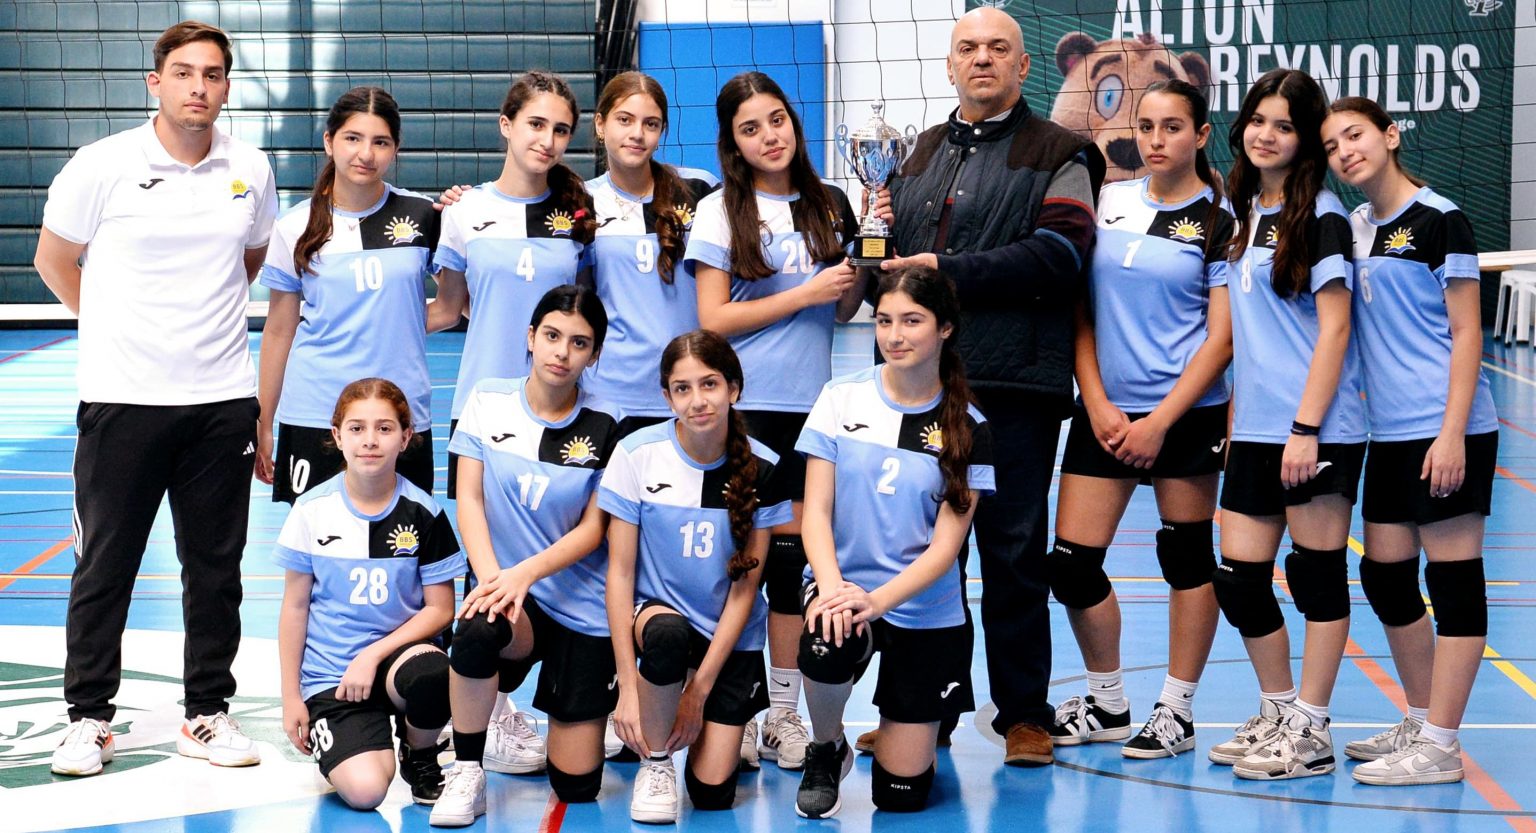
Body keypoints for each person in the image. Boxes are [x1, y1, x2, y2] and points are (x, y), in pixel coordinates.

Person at [35, 20, 278, 776]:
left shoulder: (252, 169)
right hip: (122, 402)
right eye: (183, 72)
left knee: (215, 570)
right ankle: (88, 719)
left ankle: (206, 712)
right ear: (155, 82)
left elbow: (248, 261)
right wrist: (113, 329)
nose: (197, 87)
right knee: (105, 566)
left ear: (226, 87)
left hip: (221, 403)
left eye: (212, 74)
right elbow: (53, 260)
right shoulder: (101, 164)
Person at [867, 6, 1105, 765]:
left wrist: (946, 271)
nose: (981, 59)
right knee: (924, 552)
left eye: (998, 48)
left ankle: (1025, 714)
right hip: (926, 388)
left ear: (1023, 66)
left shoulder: (1061, 151)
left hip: (1015, 386)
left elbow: (1060, 253)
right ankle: (925, 709)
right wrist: (876, 238)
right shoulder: (916, 153)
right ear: (949, 64)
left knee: (1013, 553)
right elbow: (892, 270)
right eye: (967, 48)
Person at [1046, 79, 1232, 760]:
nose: (1156, 140)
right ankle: (1107, 701)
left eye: (1173, 127)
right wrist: (1095, 400)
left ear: (1200, 135)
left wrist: (1160, 422)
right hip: (1104, 411)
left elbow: (1221, 339)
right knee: (1071, 565)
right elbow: (1081, 311)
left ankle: (1177, 710)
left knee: (1185, 559)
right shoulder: (1110, 201)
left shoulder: (1221, 220)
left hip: (1185, 415)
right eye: (1147, 126)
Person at [684, 71, 861, 772]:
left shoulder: (831, 203)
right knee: (737, 567)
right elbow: (713, 319)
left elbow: (841, 308)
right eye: (750, 128)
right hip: (743, 409)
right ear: (733, 143)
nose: (769, 136)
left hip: (811, 409)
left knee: (789, 568)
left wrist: (862, 263)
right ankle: (728, 705)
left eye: (777, 119)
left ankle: (783, 713)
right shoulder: (719, 210)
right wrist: (805, 293)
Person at [1323, 97, 1497, 786]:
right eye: (1332, 145)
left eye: (1355, 135)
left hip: (1447, 426)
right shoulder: (1353, 228)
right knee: (1385, 574)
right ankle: (1422, 719)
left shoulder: (1439, 219)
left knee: (1453, 583)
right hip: (1388, 432)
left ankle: (1443, 745)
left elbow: (1467, 332)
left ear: (1391, 136)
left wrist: (1452, 434)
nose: (1345, 151)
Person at [793, 267, 993, 817]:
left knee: (900, 798)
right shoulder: (841, 398)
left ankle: (910, 740)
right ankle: (826, 747)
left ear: (945, 328)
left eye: (911, 321)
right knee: (826, 638)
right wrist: (831, 589)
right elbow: (816, 512)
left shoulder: (968, 427)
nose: (894, 336)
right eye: (884, 321)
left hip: (923, 607)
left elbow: (945, 549)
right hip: (844, 585)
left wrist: (877, 602)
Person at [1208, 68, 1362, 781]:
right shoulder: (1241, 215)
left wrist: (1306, 428)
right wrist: (1242, 421)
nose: (1266, 135)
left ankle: (1312, 726)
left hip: (1317, 428)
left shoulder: (1322, 216)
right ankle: (1277, 709)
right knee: (1239, 580)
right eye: (1258, 120)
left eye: (1285, 125)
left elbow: (1335, 329)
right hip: (1257, 428)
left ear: (1305, 140)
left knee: (1316, 576)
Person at [430, 287, 621, 827]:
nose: (562, 352)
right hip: (514, 603)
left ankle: (575, 717)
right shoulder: (487, 400)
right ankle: (467, 768)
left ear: (594, 353)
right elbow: (468, 498)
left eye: (579, 342)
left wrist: (524, 574)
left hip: (581, 607)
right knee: (475, 627)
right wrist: (493, 581)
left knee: (576, 785)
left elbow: (594, 529)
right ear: (531, 337)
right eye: (552, 336)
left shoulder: (609, 420)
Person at [600, 330, 791, 824]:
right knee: (667, 634)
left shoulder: (764, 467)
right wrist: (626, 687)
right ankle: (656, 762)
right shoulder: (637, 454)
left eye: (709, 384)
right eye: (682, 389)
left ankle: (703, 713)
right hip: (656, 621)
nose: (697, 400)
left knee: (711, 794)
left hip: (726, 634)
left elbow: (745, 591)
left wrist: (698, 693)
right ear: (667, 397)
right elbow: (619, 574)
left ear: (734, 388)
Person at [275, 378, 464, 809]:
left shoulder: (424, 513)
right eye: (357, 428)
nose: (370, 441)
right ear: (338, 436)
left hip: (399, 661)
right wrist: (291, 698)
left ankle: (419, 751)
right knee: (366, 791)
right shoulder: (311, 510)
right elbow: (295, 607)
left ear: (406, 437)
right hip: (334, 676)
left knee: (434, 675)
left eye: (384, 428)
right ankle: (360, 739)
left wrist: (373, 654)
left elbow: (441, 610)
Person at [256, 86, 439, 502]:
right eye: (353, 138)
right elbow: (280, 330)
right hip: (316, 410)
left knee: (402, 534)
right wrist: (264, 421)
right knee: (317, 535)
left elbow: (452, 306)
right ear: (329, 141)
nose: (366, 154)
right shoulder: (295, 225)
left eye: (381, 142)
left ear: (395, 149)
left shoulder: (423, 215)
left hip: (400, 410)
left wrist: (395, 322)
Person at [429, 71, 596, 500]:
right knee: (479, 533)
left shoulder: (579, 214)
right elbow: (453, 307)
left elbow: (586, 313)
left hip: (562, 404)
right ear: (506, 125)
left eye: (561, 130)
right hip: (482, 401)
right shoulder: (465, 209)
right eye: (536, 124)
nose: (548, 140)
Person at [584, 71, 720, 437]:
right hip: (610, 393)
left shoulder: (700, 189)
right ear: (600, 125)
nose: (637, 134)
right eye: (624, 120)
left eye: (651, 124)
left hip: (689, 388)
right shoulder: (582, 200)